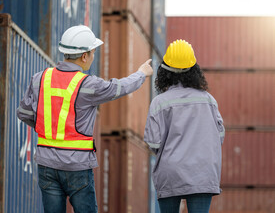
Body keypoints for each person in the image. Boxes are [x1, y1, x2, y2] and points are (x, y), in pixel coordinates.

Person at [16, 25, 153, 213]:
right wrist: (141, 74)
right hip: (77, 166)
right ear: (84, 56)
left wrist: (47, 126)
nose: (93, 57)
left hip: (46, 163)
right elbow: (118, 88)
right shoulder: (88, 85)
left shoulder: (40, 78)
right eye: (93, 52)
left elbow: (23, 112)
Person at [144, 39, 225, 213]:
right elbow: (220, 137)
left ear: (164, 71)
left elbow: (154, 143)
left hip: (170, 173)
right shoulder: (209, 100)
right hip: (203, 174)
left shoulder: (159, 102)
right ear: (194, 69)